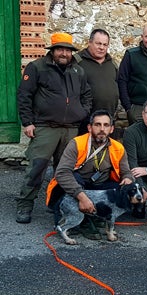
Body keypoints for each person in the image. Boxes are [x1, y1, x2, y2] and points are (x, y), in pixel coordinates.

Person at [16, 32, 92, 224]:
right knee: (37, 167)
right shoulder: (37, 67)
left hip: (70, 129)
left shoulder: (78, 71)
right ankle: (25, 205)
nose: (64, 53)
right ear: (53, 50)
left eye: (67, 50)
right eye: (60, 49)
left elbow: (87, 96)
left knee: (65, 170)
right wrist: (27, 122)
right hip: (45, 127)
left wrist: (81, 113)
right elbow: (24, 95)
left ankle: (57, 204)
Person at [45, 110, 134, 239]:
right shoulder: (76, 143)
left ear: (112, 129)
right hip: (77, 187)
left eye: (106, 125)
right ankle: (82, 220)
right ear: (89, 127)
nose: (102, 129)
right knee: (74, 178)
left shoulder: (118, 147)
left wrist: (127, 179)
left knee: (118, 186)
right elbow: (62, 173)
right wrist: (82, 198)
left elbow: (126, 172)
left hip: (99, 187)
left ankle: (95, 215)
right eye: (97, 125)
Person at [76, 29, 119, 135]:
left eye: (105, 44)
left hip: (108, 121)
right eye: (98, 43)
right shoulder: (77, 62)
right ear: (89, 42)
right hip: (85, 122)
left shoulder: (112, 63)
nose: (102, 47)